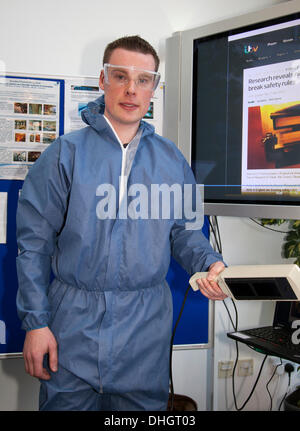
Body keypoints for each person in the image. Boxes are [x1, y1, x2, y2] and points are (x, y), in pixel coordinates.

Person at [16, 35, 226, 411]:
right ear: (102, 80)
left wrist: (208, 262)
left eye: (143, 79)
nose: (131, 89)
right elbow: (33, 246)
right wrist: (36, 324)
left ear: (154, 88)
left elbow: (187, 231)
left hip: (145, 334)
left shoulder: (172, 160)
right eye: (120, 76)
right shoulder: (64, 155)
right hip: (71, 329)